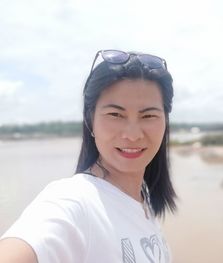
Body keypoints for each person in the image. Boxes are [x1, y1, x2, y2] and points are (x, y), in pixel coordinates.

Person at [0, 49, 177, 263]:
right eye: (115, 114)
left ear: (165, 121)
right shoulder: (73, 201)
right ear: (90, 121)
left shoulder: (142, 195)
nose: (132, 135)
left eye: (148, 115)